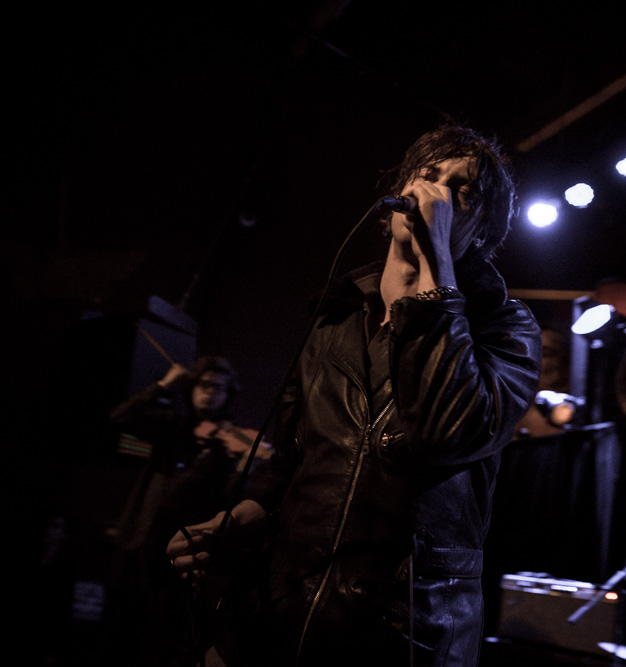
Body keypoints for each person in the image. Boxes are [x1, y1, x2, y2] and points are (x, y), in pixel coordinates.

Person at [167, 124, 542, 666]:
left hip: (401, 637)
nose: (434, 193)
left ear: (483, 230)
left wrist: (437, 269)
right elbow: (292, 457)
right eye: (428, 174)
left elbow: (445, 432)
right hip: (282, 616)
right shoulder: (335, 318)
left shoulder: (505, 328)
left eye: (461, 191)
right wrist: (246, 515)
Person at [105, 355, 270, 666]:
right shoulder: (173, 426)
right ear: (191, 388)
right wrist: (164, 384)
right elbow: (120, 418)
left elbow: (227, 499)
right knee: (117, 632)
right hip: (138, 541)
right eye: (203, 385)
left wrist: (245, 468)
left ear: (228, 394)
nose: (209, 393)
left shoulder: (229, 441)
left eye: (218, 388)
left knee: (164, 638)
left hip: (182, 552)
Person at [514, 326, 572, 439]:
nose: (557, 362)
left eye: (562, 353)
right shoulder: (516, 411)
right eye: (546, 354)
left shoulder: (581, 408)